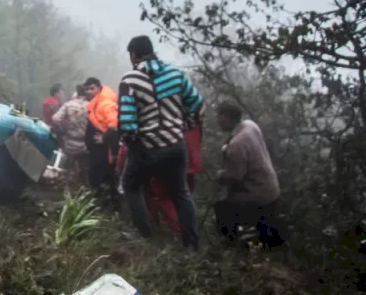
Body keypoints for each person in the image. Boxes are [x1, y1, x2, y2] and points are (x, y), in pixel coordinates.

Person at [117, 35, 203, 249]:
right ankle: (192, 243)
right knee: (180, 193)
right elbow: (198, 105)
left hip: (147, 148)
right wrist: (183, 126)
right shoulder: (176, 74)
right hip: (175, 146)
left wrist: (136, 147)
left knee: (131, 185)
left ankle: (146, 237)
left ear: (134, 55)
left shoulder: (130, 80)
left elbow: (127, 124)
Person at [215, 101, 285, 248]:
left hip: (257, 196)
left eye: (220, 116)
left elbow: (234, 177)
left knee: (222, 208)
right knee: (268, 233)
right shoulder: (250, 125)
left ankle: (231, 247)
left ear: (229, 117)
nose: (218, 120)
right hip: (272, 190)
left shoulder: (237, 144)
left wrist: (220, 175)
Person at [83, 77, 119, 206]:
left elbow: (114, 126)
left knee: (106, 179)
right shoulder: (95, 103)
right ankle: (103, 206)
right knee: (98, 178)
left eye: (92, 88)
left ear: (99, 88)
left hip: (104, 150)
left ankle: (111, 208)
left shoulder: (105, 103)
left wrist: (104, 138)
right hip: (97, 150)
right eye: (87, 89)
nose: (89, 91)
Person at [50, 85, 90, 182]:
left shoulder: (68, 105)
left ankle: (64, 190)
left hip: (70, 143)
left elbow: (55, 119)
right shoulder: (91, 105)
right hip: (86, 144)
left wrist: (61, 131)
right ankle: (84, 190)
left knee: (66, 169)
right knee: (85, 169)